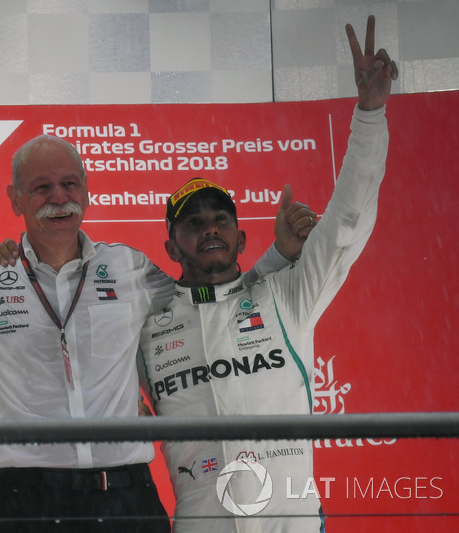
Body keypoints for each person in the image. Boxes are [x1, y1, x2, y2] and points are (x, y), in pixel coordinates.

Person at [0, 87, 313, 533]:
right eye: (41, 187)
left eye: (69, 185)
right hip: (28, 501)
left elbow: (213, 299)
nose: (57, 197)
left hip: (125, 494)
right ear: (15, 197)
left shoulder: (128, 267)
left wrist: (277, 258)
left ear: (86, 192)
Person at [137, 15, 395, 532]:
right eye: (193, 222)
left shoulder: (286, 297)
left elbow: (346, 222)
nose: (209, 229)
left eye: (221, 219)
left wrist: (369, 116)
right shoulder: (145, 329)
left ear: (242, 237)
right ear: (170, 245)